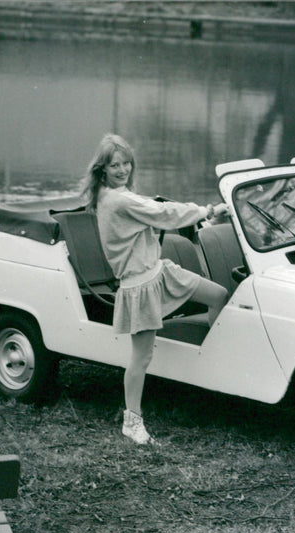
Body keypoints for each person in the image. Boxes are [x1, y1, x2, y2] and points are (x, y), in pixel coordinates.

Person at [81, 133, 229, 445]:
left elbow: (156, 211)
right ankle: (132, 422)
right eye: (115, 165)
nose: (122, 169)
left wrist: (205, 216)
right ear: (102, 170)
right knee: (141, 357)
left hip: (160, 272)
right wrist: (208, 211)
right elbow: (163, 214)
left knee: (218, 296)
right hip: (141, 285)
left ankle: (208, 371)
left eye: (126, 163)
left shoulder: (115, 196)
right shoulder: (118, 200)